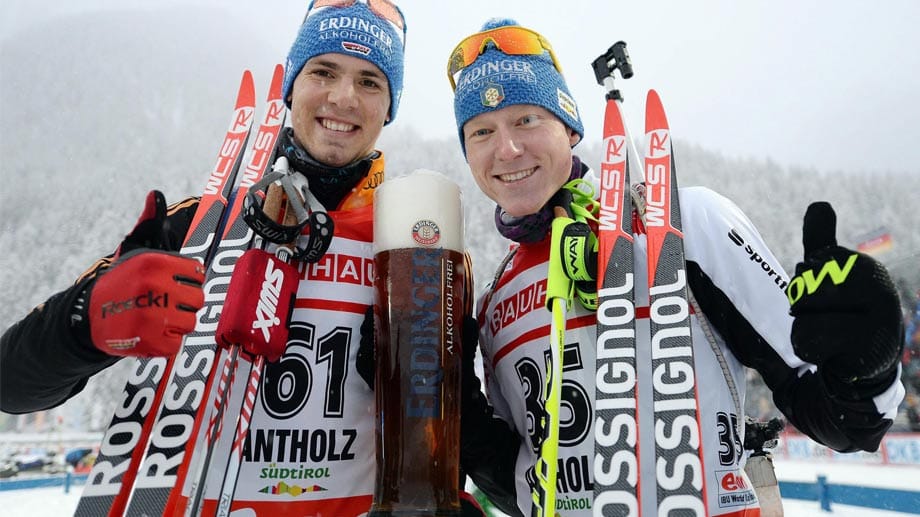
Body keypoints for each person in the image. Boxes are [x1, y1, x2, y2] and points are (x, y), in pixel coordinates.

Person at [0, 2, 486, 515]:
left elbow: (438, 439)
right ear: (292, 87)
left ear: (388, 107)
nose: (344, 97)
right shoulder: (198, 229)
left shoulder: (416, 253)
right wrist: (86, 320)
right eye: (324, 71)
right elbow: (12, 385)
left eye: (370, 82)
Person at [448, 18, 906, 516]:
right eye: (481, 132)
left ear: (570, 127)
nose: (507, 149)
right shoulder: (494, 300)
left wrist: (865, 364)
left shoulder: (689, 224)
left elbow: (837, 417)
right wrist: (456, 412)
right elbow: (523, 484)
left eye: (526, 121)